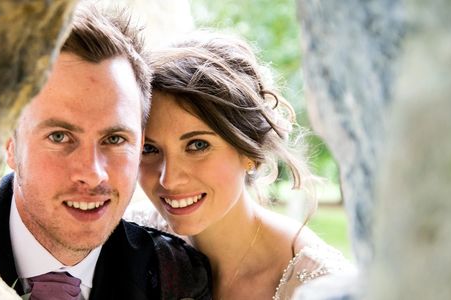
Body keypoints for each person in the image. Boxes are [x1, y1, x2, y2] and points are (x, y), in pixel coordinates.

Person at [0, 5, 212, 300]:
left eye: (114, 139)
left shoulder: (175, 277)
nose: (92, 173)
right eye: (60, 137)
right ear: (10, 143)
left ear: (140, 147)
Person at [134, 31, 354, 300]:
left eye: (198, 145)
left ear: (250, 150)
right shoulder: (130, 241)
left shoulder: (316, 284)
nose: (169, 180)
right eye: (149, 149)